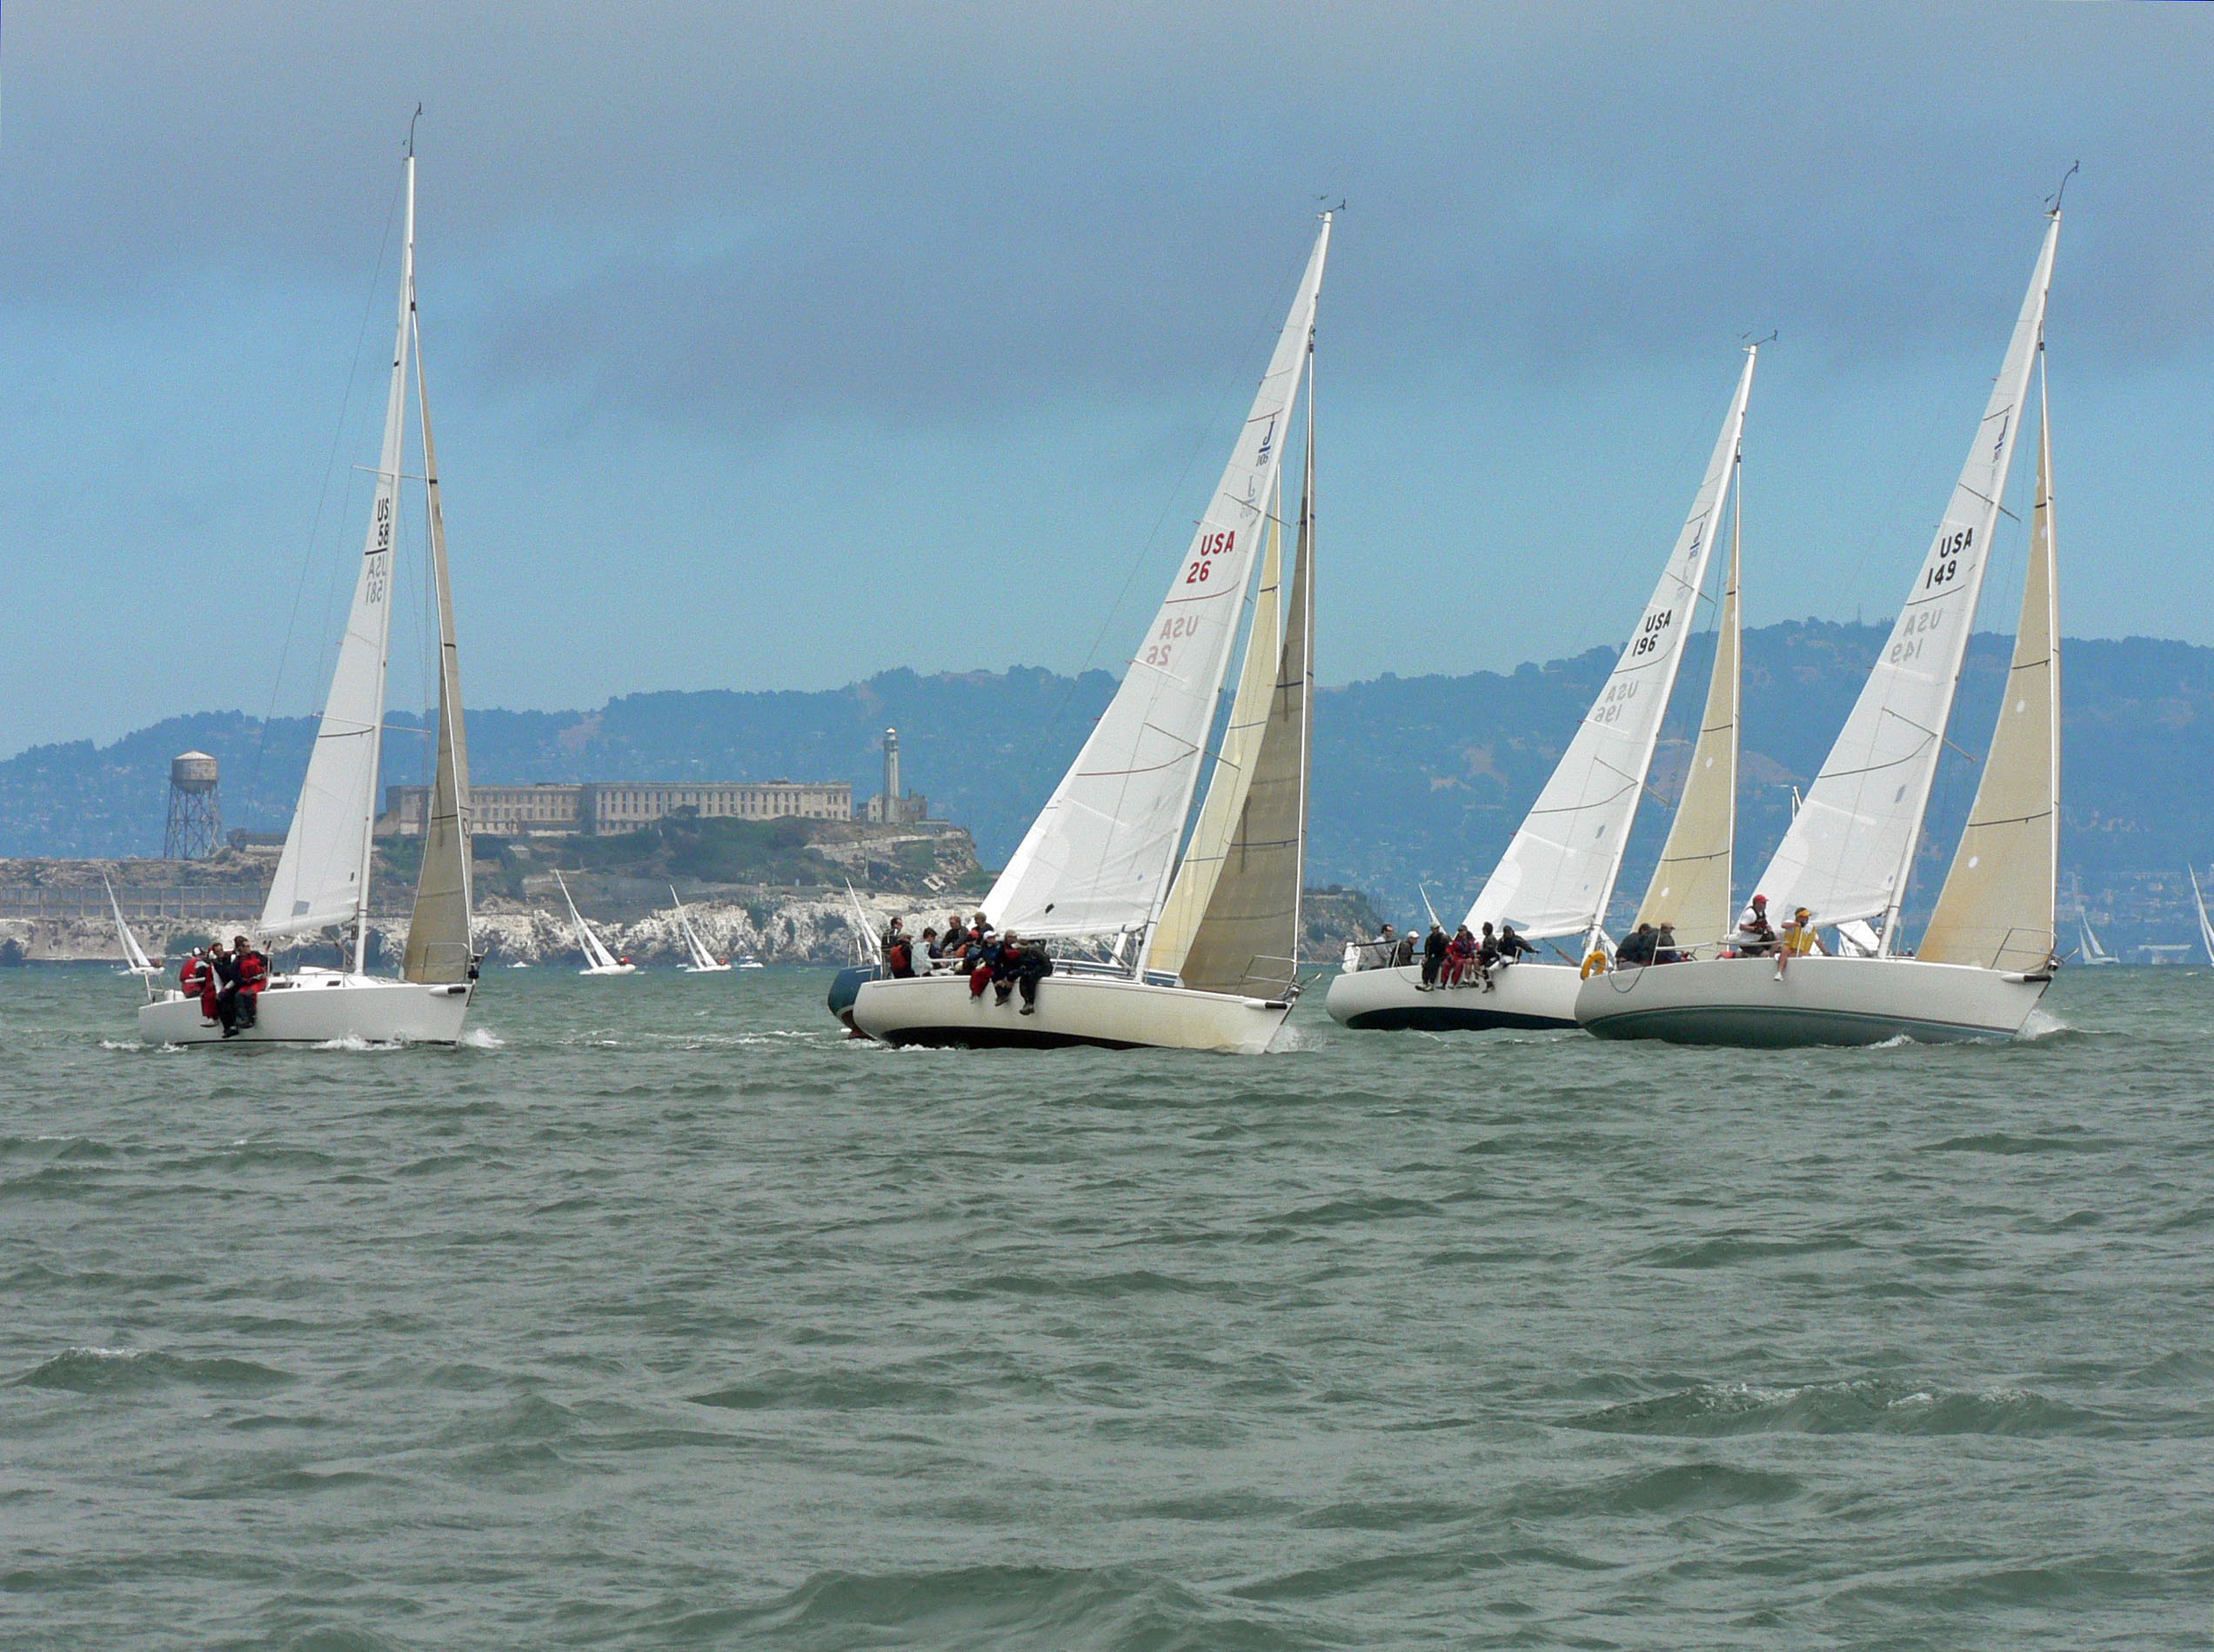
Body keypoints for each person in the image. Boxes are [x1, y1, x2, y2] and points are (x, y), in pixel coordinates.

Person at [1776, 906, 1826, 978]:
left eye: (1807, 917)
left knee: (1807, 955)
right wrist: (1797, 924)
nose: (1806, 919)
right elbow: (1784, 925)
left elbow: (1818, 942)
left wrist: (1826, 952)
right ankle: (1779, 972)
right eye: (1803, 917)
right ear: (1798, 917)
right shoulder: (1792, 923)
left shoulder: (1810, 928)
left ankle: (1787, 959)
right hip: (1789, 950)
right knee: (1785, 949)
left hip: (1801, 952)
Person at [231, 936, 268, 1032]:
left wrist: (264, 973)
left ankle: (252, 1017)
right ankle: (245, 1019)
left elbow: (267, 963)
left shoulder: (256, 955)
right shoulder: (237, 962)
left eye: (249, 945)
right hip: (248, 983)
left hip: (260, 981)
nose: (249, 948)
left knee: (250, 994)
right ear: (240, 948)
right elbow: (236, 978)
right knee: (239, 995)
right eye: (246, 946)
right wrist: (249, 980)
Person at [1013, 936, 1053, 1014]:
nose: (1017, 950)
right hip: (1031, 968)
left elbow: (1046, 962)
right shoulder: (1021, 954)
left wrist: (1037, 971)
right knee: (1023, 977)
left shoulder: (1034, 951)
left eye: (1018, 948)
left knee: (1031, 977)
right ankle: (1026, 1001)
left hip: (1044, 968)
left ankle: (1031, 1002)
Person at [1733, 895, 1778, 959]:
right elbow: (1741, 927)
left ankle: (1772, 957)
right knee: (1765, 954)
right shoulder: (1750, 913)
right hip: (1747, 942)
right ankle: (1743, 954)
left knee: (1776, 939)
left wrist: (1771, 933)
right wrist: (1754, 929)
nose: (1765, 904)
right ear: (1757, 903)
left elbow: (1768, 925)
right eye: (1763, 903)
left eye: (1765, 902)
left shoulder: (1764, 912)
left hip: (1758, 938)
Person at [179, 946, 216, 1024]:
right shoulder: (201, 963)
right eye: (202, 954)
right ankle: (211, 1017)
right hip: (195, 989)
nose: (204, 956)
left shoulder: (187, 964)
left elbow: (182, 978)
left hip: (187, 990)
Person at [1420, 923, 1448, 991]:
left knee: (1434, 965)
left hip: (1441, 956)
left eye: (1437, 928)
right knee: (1426, 965)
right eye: (1434, 928)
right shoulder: (1429, 938)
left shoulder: (1444, 938)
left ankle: (1431, 983)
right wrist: (1427, 957)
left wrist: (1446, 958)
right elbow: (1427, 948)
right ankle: (1425, 982)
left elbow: (1448, 948)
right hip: (1432, 956)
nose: (1435, 930)